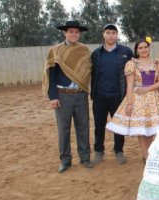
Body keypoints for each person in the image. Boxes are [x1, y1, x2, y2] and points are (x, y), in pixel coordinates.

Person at [106, 39, 159, 161]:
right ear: (136, 50)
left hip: (154, 98)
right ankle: (145, 154)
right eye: (140, 48)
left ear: (149, 48)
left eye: (145, 47)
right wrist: (129, 103)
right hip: (138, 99)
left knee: (152, 127)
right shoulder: (131, 64)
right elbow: (129, 84)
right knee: (142, 128)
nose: (143, 50)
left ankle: (150, 152)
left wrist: (147, 89)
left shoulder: (156, 63)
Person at [42, 21, 93, 173]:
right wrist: (53, 97)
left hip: (80, 94)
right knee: (63, 129)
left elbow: (88, 71)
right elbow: (51, 75)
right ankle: (65, 160)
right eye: (71, 31)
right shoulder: (55, 50)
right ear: (65, 33)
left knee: (83, 127)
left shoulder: (85, 50)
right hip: (62, 95)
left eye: (76, 32)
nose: (74, 34)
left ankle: (85, 158)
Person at [91, 24, 133, 165]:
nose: (110, 35)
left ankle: (119, 151)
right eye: (108, 32)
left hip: (119, 96)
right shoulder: (96, 54)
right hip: (99, 96)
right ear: (103, 34)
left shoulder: (126, 52)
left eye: (113, 33)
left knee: (119, 125)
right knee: (99, 125)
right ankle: (98, 151)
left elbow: (134, 70)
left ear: (117, 35)